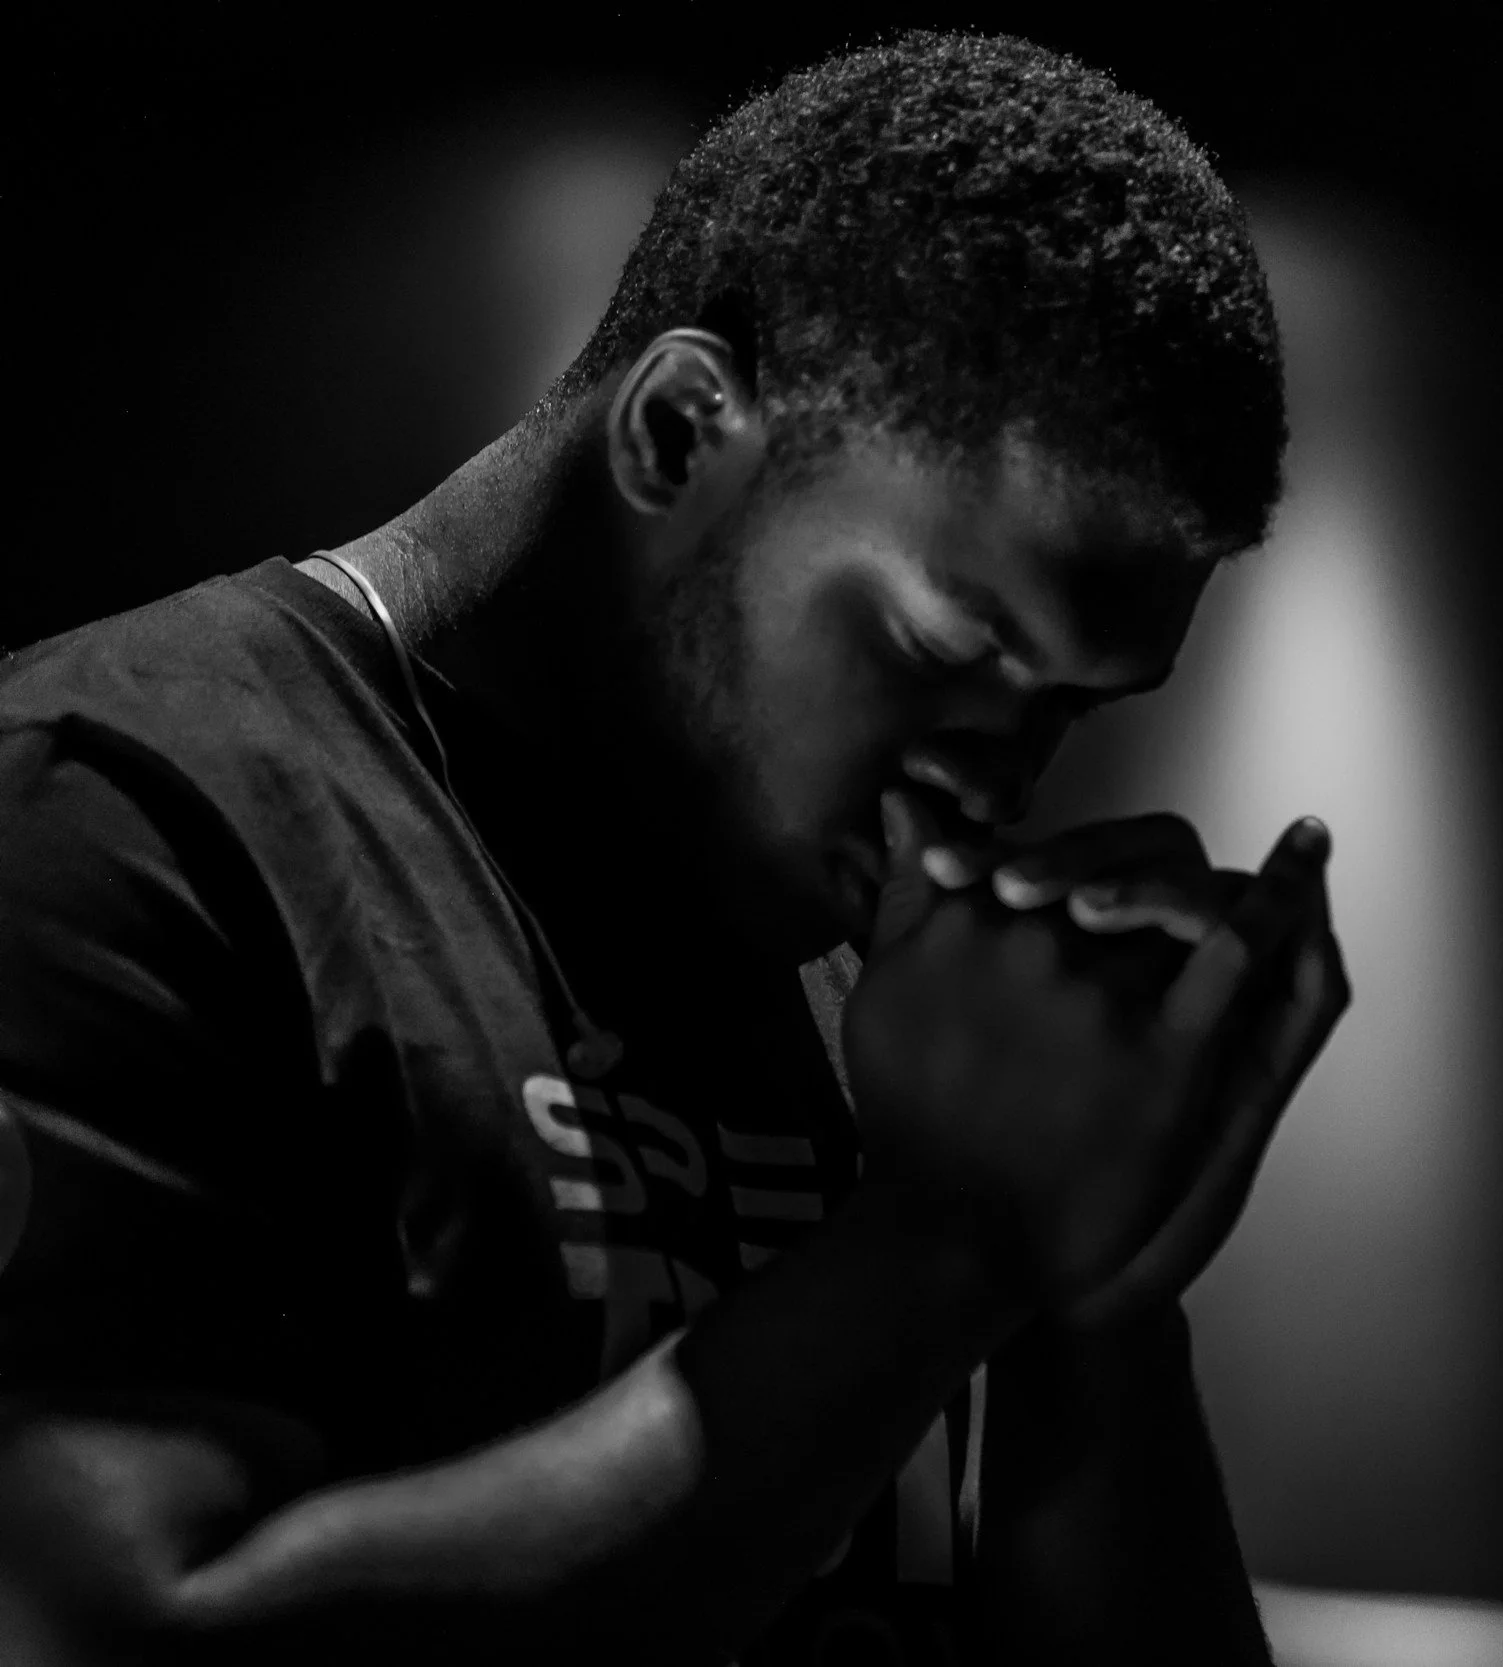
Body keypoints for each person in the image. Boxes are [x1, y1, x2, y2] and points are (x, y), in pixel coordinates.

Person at [0, 30, 1347, 1666]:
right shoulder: (119, 807)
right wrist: (946, 1245)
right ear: (683, 428)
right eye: (944, 654)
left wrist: (1094, 1275)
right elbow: (98, 1631)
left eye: (1067, 709)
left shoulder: (895, 978)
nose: (992, 784)